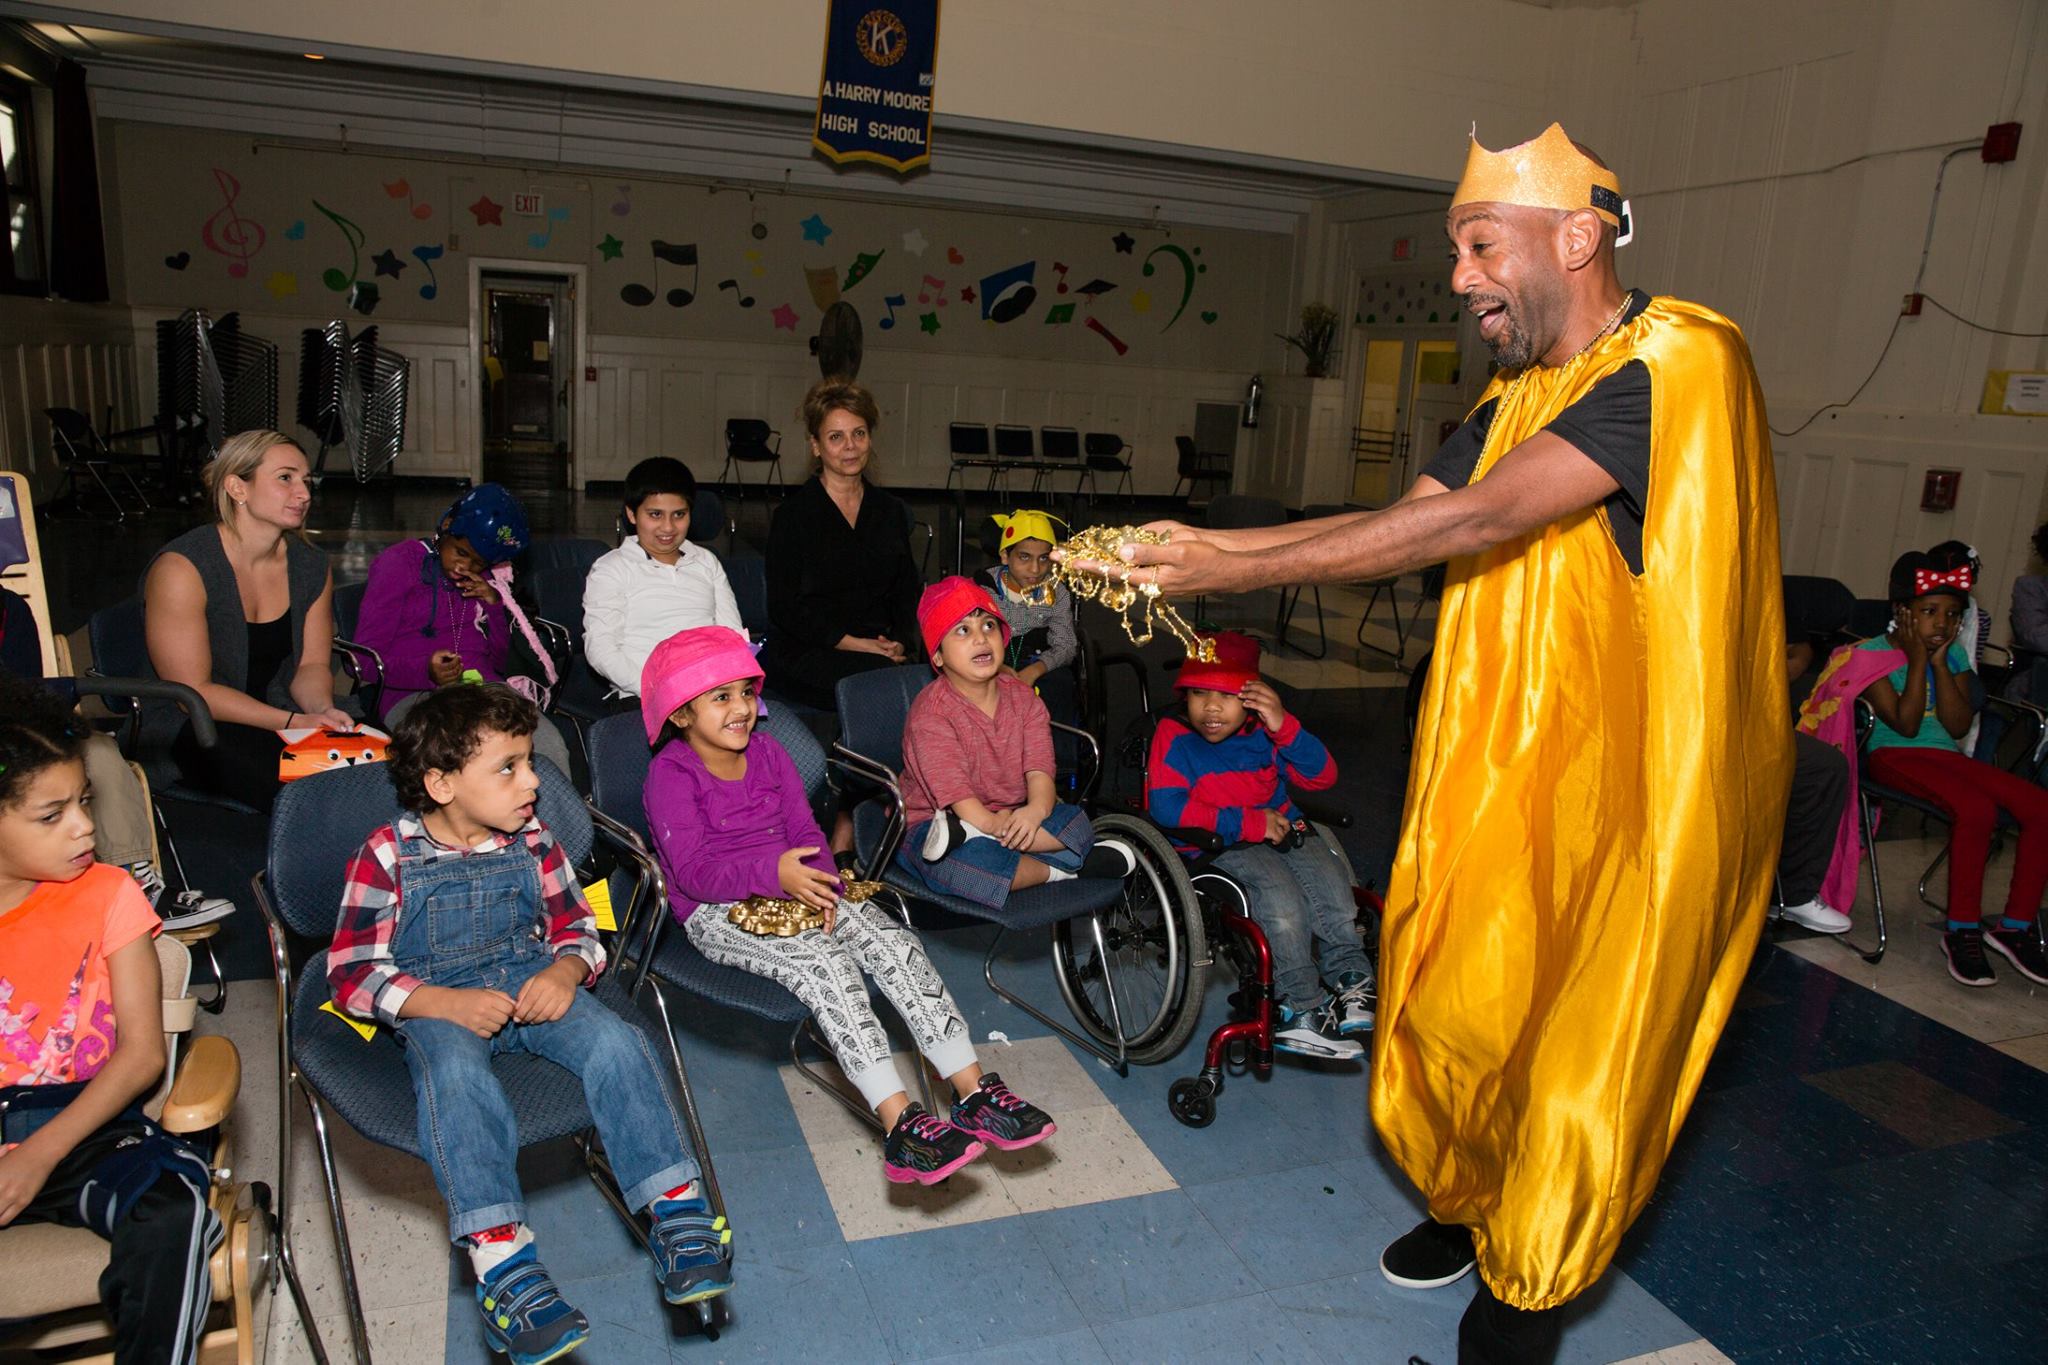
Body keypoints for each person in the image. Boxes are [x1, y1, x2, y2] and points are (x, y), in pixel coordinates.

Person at [1077, 124, 1792, 1361]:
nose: (1458, 276)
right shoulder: (1513, 394)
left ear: (1573, 240)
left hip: (1641, 797)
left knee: (1583, 1059)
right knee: (1460, 996)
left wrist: (1220, 564)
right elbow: (1398, 513)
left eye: (1475, 247)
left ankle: (1514, 1311)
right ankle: (1470, 1207)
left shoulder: (1680, 364)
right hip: (1518, 767)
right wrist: (1192, 550)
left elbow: (1478, 519)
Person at [327, 685, 732, 1363]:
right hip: (436, 996)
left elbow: (577, 926)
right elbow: (350, 971)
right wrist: (440, 1003)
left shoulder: (533, 838)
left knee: (617, 1041)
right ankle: (505, 1265)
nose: (534, 783)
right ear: (441, 783)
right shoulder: (389, 853)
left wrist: (565, 972)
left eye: (530, 762)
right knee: (456, 1076)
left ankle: (676, 1210)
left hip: (529, 977)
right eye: (509, 766)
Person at [639, 626, 1055, 1183]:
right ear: (681, 714)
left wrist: (826, 885)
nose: (742, 708)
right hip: (720, 908)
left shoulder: (767, 750)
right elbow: (694, 872)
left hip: (800, 883)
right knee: (828, 966)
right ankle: (901, 1125)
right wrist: (776, 873)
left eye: (745, 692)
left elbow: (806, 831)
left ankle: (972, 1092)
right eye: (721, 697)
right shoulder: (670, 773)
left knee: (894, 943)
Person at [0, 670, 223, 1365]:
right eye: (52, 813)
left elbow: (142, 1057)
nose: (85, 827)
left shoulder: (109, 893)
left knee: (174, 1208)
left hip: (87, 1123)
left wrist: (38, 1153)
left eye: (85, 802)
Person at [1144, 631, 1372, 1059]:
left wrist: (1285, 726)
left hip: (1283, 829)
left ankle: (1351, 981)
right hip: (1220, 841)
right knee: (1284, 904)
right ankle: (1299, 1005)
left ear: (1252, 698)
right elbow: (1167, 807)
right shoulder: (1174, 736)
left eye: (1226, 696)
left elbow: (1322, 778)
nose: (1210, 708)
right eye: (1198, 694)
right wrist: (1249, 823)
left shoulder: (1266, 733)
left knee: (1335, 890)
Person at [1857, 551, 2048, 989]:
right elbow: (1904, 726)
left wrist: (1942, 664)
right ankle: (1961, 931)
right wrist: (1918, 660)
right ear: (1901, 613)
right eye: (1929, 612)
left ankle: (2014, 928)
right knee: (1975, 809)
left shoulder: (1954, 659)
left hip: (1945, 757)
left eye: (1952, 615)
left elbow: (1958, 725)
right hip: (1894, 758)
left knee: (2040, 806)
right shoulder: (1869, 654)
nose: (1942, 625)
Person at [144, 431, 353, 809]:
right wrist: (290, 723)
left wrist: (320, 711)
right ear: (237, 488)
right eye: (285, 478)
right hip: (195, 724)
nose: (304, 493)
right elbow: (192, 693)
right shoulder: (183, 568)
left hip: (280, 709)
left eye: (306, 480)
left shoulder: (309, 565)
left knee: (387, 768)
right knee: (309, 797)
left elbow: (311, 665)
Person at [1, 588, 232, 931]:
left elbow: (26, 699)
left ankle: (133, 881)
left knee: (96, 750)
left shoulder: (9, 610)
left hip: (10, 738)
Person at [897, 577, 1131, 908]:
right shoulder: (931, 714)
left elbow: (1039, 771)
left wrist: (1035, 810)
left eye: (988, 625)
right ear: (937, 656)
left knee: (1078, 824)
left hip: (1014, 815)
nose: (980, 637)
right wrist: (993, 824)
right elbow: (958, 795)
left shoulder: (1024, 699)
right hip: (939, 823)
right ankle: (1065, 872)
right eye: (962, 630)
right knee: (959, 869)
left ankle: (997, 847)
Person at [352, 484, 570, 776]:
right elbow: (364, 662)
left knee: (549, 746)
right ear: (446, 526)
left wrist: (492, 604)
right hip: (413, 694)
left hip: (484, 690)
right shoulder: (399, 564)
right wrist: (426, 671)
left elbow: (500, 661)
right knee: (467, 759)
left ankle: (555, 822)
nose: (463, 566)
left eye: (477, 563)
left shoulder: (487, 581)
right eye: (460, 552)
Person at [755, 380, 921, 713]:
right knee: (890, 686)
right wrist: (855, 644)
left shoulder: (889, 510)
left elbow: (906, 592)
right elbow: (785, 607)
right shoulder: (793, 516)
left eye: (859, 434)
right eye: (836, 437)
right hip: (809, 650)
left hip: (879, 647)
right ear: (816, 445)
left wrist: (900, 641)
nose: (850, 446)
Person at [582, 457, 742, 698]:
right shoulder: (611, 569)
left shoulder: (706, 562)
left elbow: (732, 636)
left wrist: (722, 688)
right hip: (642, 695)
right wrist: (660, 691)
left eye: (679, 515)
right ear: (632, 514)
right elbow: (602, 650)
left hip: (709, 693)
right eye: (655, 514)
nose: (668, 527)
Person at [983, 510, 1079, 724]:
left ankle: (1058, 753)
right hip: (988, 662)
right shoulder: (983, 589)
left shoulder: (1056, 592)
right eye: (1024, 557)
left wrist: (1034, 671)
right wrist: (998, 668)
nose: (1035, 569)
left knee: (1059, 686)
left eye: (1043, 558)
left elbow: (1065, 646)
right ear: (1005, 556)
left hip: (1037, 661)